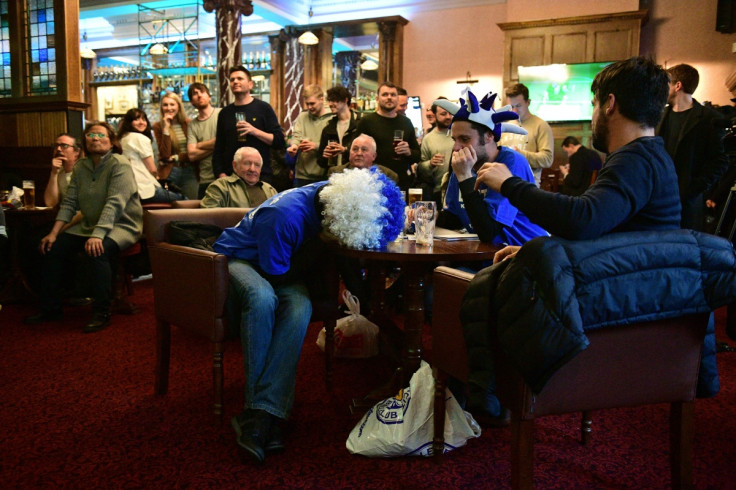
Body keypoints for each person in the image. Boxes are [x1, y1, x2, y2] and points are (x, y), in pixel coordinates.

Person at [466, 57, 689, 424]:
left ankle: (490, 398)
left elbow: (582, 220)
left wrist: (509, 184)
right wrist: (533, 250)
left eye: (594, 103)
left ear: (610, 104)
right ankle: (490, 395)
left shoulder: (634, 159)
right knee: (514, 270)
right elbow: (609, 231)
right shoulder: (648, 155)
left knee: (493, 284)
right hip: (639, 284)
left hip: (627, 296)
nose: (594, 111)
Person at [215, 168, 404, 464]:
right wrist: (318, 244)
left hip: (281, 263)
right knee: (262, 298)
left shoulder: (333, 195)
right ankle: (260, 412)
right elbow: (274, 277)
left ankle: (263, 413)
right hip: (240, 257)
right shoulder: (282, 217)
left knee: (300, 307)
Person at [24, 122, 143, 333]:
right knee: (53, 247)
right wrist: (53, 233)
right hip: (89, 224)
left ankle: (101, 312)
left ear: (111, 141)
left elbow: (114, 204)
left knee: (99, 250)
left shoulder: (120, 164)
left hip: (121, 224)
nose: (95, 138)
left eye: (100, 134)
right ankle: (51, 308)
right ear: (85, 142)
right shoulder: (81, 167)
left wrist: (98, 234)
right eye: (90, 135)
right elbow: (69, 203)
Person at [433, 90, 548, 246]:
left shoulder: (510, 162)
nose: (456, 147)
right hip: (488, 256)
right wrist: (427, 215)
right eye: (454, 139)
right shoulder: (465, 165)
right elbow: (455, 219)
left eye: (464, 139)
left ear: (489, 136)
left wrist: (465, 177)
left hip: (524, 254)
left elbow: (489, 232)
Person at [656, 63, 729, 230]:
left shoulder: (709, 118)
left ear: (677, 86)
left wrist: (693, 189)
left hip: (687, 205)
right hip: (659, 200)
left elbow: (720, 161)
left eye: (666, 84)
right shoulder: (659, 116)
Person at [212, 66, 285, 185]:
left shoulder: (263, 108)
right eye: (232, 80)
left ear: (250, 84)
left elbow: (279, 141)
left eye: (240, 78)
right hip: (231, 178)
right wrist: (220, 174)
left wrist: (254, 131)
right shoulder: (224, 113)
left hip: (260, 176)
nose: (235, 81)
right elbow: (219, 148)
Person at [356, 81, 420, 189]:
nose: (389, 98)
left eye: (393, 95)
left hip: (401, 182)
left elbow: (417, 155)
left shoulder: (406, 122)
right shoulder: (366, 122)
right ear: (377, 99)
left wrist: (409, 152)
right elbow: (357, 153)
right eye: (385, 94)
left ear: (397, 99)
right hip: (374, 181)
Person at [118, 108, 186, 204]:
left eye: (143, 119)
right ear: (129, 122)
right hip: (144, 189)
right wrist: (157, 176)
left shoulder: (122, 139)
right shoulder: (139, 138)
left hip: (129, 189)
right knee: (183, 200)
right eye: (136, 119)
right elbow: (152, 169)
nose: (141, 122)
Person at [499, 83, 554, 185]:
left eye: (518, 106)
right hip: (504, 185)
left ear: (528, 102)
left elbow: (547, 159)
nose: (514, 111)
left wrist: (520, 154)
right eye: (511, 107)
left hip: (528, 187)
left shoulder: (541, 125)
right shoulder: (504, 126)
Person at [201, 146, 277, 208]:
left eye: (257, 165)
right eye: (247, 163)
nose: (252, 169)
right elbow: (208, 218)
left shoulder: (270, 190)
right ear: (235, 165)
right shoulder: (221, 186)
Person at [286, 85, 333, 186]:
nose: (309, 107)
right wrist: (294, 146)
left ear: (322, 99)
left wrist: (316, 146)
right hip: (302, 175)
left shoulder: (332, 117)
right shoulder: (302, 116)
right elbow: (296, 136)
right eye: (307, 104)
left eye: (312, 103)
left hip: (324, 174)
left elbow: (335, 144)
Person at [153, 92, 197, 199]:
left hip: (189, 170)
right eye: (165, 105)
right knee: (172, 208)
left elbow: (194, 151)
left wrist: (175, 157)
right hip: (170, 172)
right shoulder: (158, 126)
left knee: (191, 205)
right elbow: (164, 154)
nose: (169, 108)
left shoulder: (188, 123)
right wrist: (166, 129)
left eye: (172, 104)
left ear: (178, 106)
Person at [415, 97, 454, 204]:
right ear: (435, 114)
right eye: (443, 114)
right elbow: (421, 168)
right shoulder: (428, 139)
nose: (448, 117)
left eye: (450, 113)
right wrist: (430, 163)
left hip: (458, 189)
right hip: (437, 191)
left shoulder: (459, 134)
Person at [186, 82, 221, 198]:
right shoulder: (192, 125)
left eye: (202, 92)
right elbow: (191, 155)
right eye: (195, 94)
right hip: (205, 179)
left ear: (209, 96)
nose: (199, 95)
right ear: (191, 101)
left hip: (225, 175)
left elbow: (227, 141)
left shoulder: (222, 114)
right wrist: (218, 144)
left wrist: (200, 145)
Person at [317, 85, 360, 169]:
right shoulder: (329, 128)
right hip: (335, 175)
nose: (330, 104)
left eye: (334, 101)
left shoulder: (359, 124)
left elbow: (366, 154)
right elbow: (320, 162)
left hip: (354, 174)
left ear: (345, 100)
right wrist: (324, 156)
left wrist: (344, 150)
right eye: (329, 101)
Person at [327, 134, 399, 183]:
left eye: (364, 150)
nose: (359, 153)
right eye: (355, 149)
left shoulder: (388, 176)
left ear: (374, 156)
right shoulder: (336, 173)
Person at [45, 133, 81, 207]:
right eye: (56, 146)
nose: (58, 149)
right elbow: (50, 203)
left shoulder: (84, 171)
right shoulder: (58, 172)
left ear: (76, 152)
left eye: (64, 146)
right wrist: (54, 173)